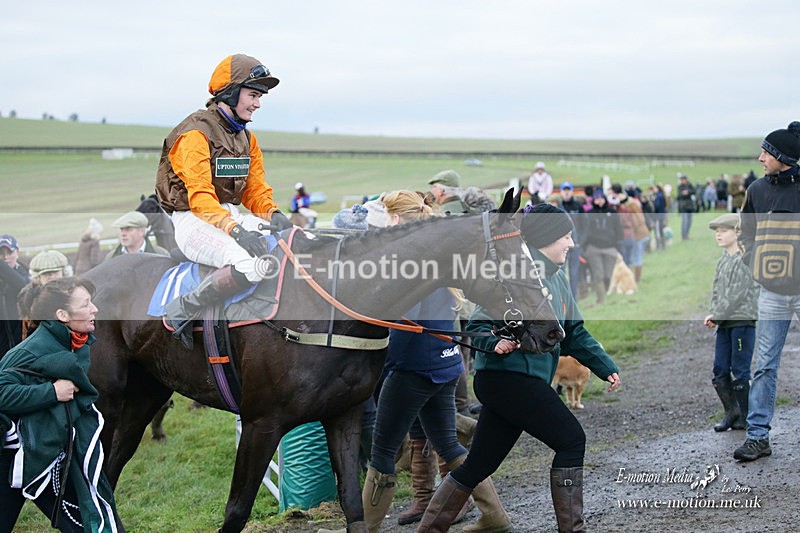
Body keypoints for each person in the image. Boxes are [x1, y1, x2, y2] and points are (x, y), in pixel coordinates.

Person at [418, 203, 621, 532]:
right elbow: (480, 324)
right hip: (507, 379)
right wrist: (492, 343)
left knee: (478, 465)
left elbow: (574, 333)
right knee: (571, 440)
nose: (571, 243)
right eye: (565, 236)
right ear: (546, 238)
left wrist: (604, 365)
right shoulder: (520, 275)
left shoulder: (558, 279)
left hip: (517, 383)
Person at [355, 190, 507, 533]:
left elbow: (404, 321)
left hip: (413, 367)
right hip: (445, 363)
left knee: (382, 452)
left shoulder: (407, 257)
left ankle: (363, 528)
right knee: (448, 443)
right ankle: (495, 517)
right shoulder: (429, 253)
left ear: (395, 220)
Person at [154, 53, 293, 349]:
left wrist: (274, 214)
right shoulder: (194, 134)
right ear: (230, 92)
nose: (257, 104)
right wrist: (236, 231)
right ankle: (183, 309)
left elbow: (255, 190)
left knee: (290, 242)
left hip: (229, 216)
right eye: (253, 95)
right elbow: (201, 197)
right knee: (248, 264)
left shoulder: (247, 139)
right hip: (193, 219)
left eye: (259, 97)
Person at [0, 277, 124, 532]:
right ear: (62, 315)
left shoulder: (72, 342)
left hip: (50, 448)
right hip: (13, 453)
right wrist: (52, 392)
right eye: (86, 304)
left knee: (87, 523)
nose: (95, 309)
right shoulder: (31, 351)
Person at [733, 121, 800, 462]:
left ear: (782, 156)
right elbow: (744, 231)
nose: (760, 157)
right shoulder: (757, 190)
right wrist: (753, 262)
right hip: (771, 292)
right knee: (764, 366)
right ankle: (758, 437)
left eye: (766, 152)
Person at [703, 213, 759, 432]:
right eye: (717, 231)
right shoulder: (722, 260)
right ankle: (731, 412)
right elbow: (717, 292)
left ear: (737, 233)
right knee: (719, 369)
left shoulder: (745, 258)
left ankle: (747, 416)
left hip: (741, 323)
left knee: (740, 370)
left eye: (724, 230)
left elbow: (736, 293)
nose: (719, 235)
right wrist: (713, 313)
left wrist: (716, 314)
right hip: (724, 323)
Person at [579, 191, 623, 305]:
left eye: (601, 198)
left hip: (610, 247)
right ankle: (601, 300)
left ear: (605, 199)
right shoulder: (589, 213)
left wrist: (619, 244)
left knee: (608, 275)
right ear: (593, 200)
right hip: (593, 248)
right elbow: (585, 229)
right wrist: (583, 246)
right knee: (598, 275)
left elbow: (618, 228)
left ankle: (607, 294)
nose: (599, 201)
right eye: (597, 199)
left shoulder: (612, 212)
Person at [1, 234, 29, 358]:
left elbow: (21, 284)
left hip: (21, 338)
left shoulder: (24, 273)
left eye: (9, 252)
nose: (5, 257)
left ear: (17, 252)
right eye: (1, 253)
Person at [105, 211, 169, 260]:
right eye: (121, 229)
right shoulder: (111, 257)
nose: (123, 234)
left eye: (128, 229)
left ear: (142, 231)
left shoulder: (161, 254)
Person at [676, 175, 696, 240]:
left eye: (683, 179)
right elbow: (679, 195)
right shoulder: (679, 187)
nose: (682, 181)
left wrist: (688, 192)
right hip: (683, 207)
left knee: (690, 222)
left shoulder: (689, 185)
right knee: (685, 222)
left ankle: (687, 235)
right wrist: (683, 193)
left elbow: (694, 191)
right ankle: (684, 236)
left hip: (690, 206)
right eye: (681, 180)